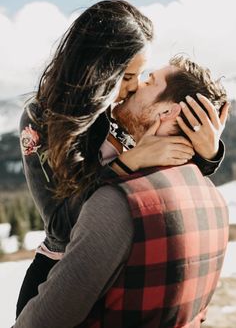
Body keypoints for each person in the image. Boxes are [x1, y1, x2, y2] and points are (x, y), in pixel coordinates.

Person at [14, 56, 229, 328]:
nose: (135, 87)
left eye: (145, 80)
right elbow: (60, 225)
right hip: (50, 274)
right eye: (128, 77)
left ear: (167, 112)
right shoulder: (65, 118)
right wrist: (126, 164)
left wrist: (209, 153)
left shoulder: (130, 143)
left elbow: (165, 178)